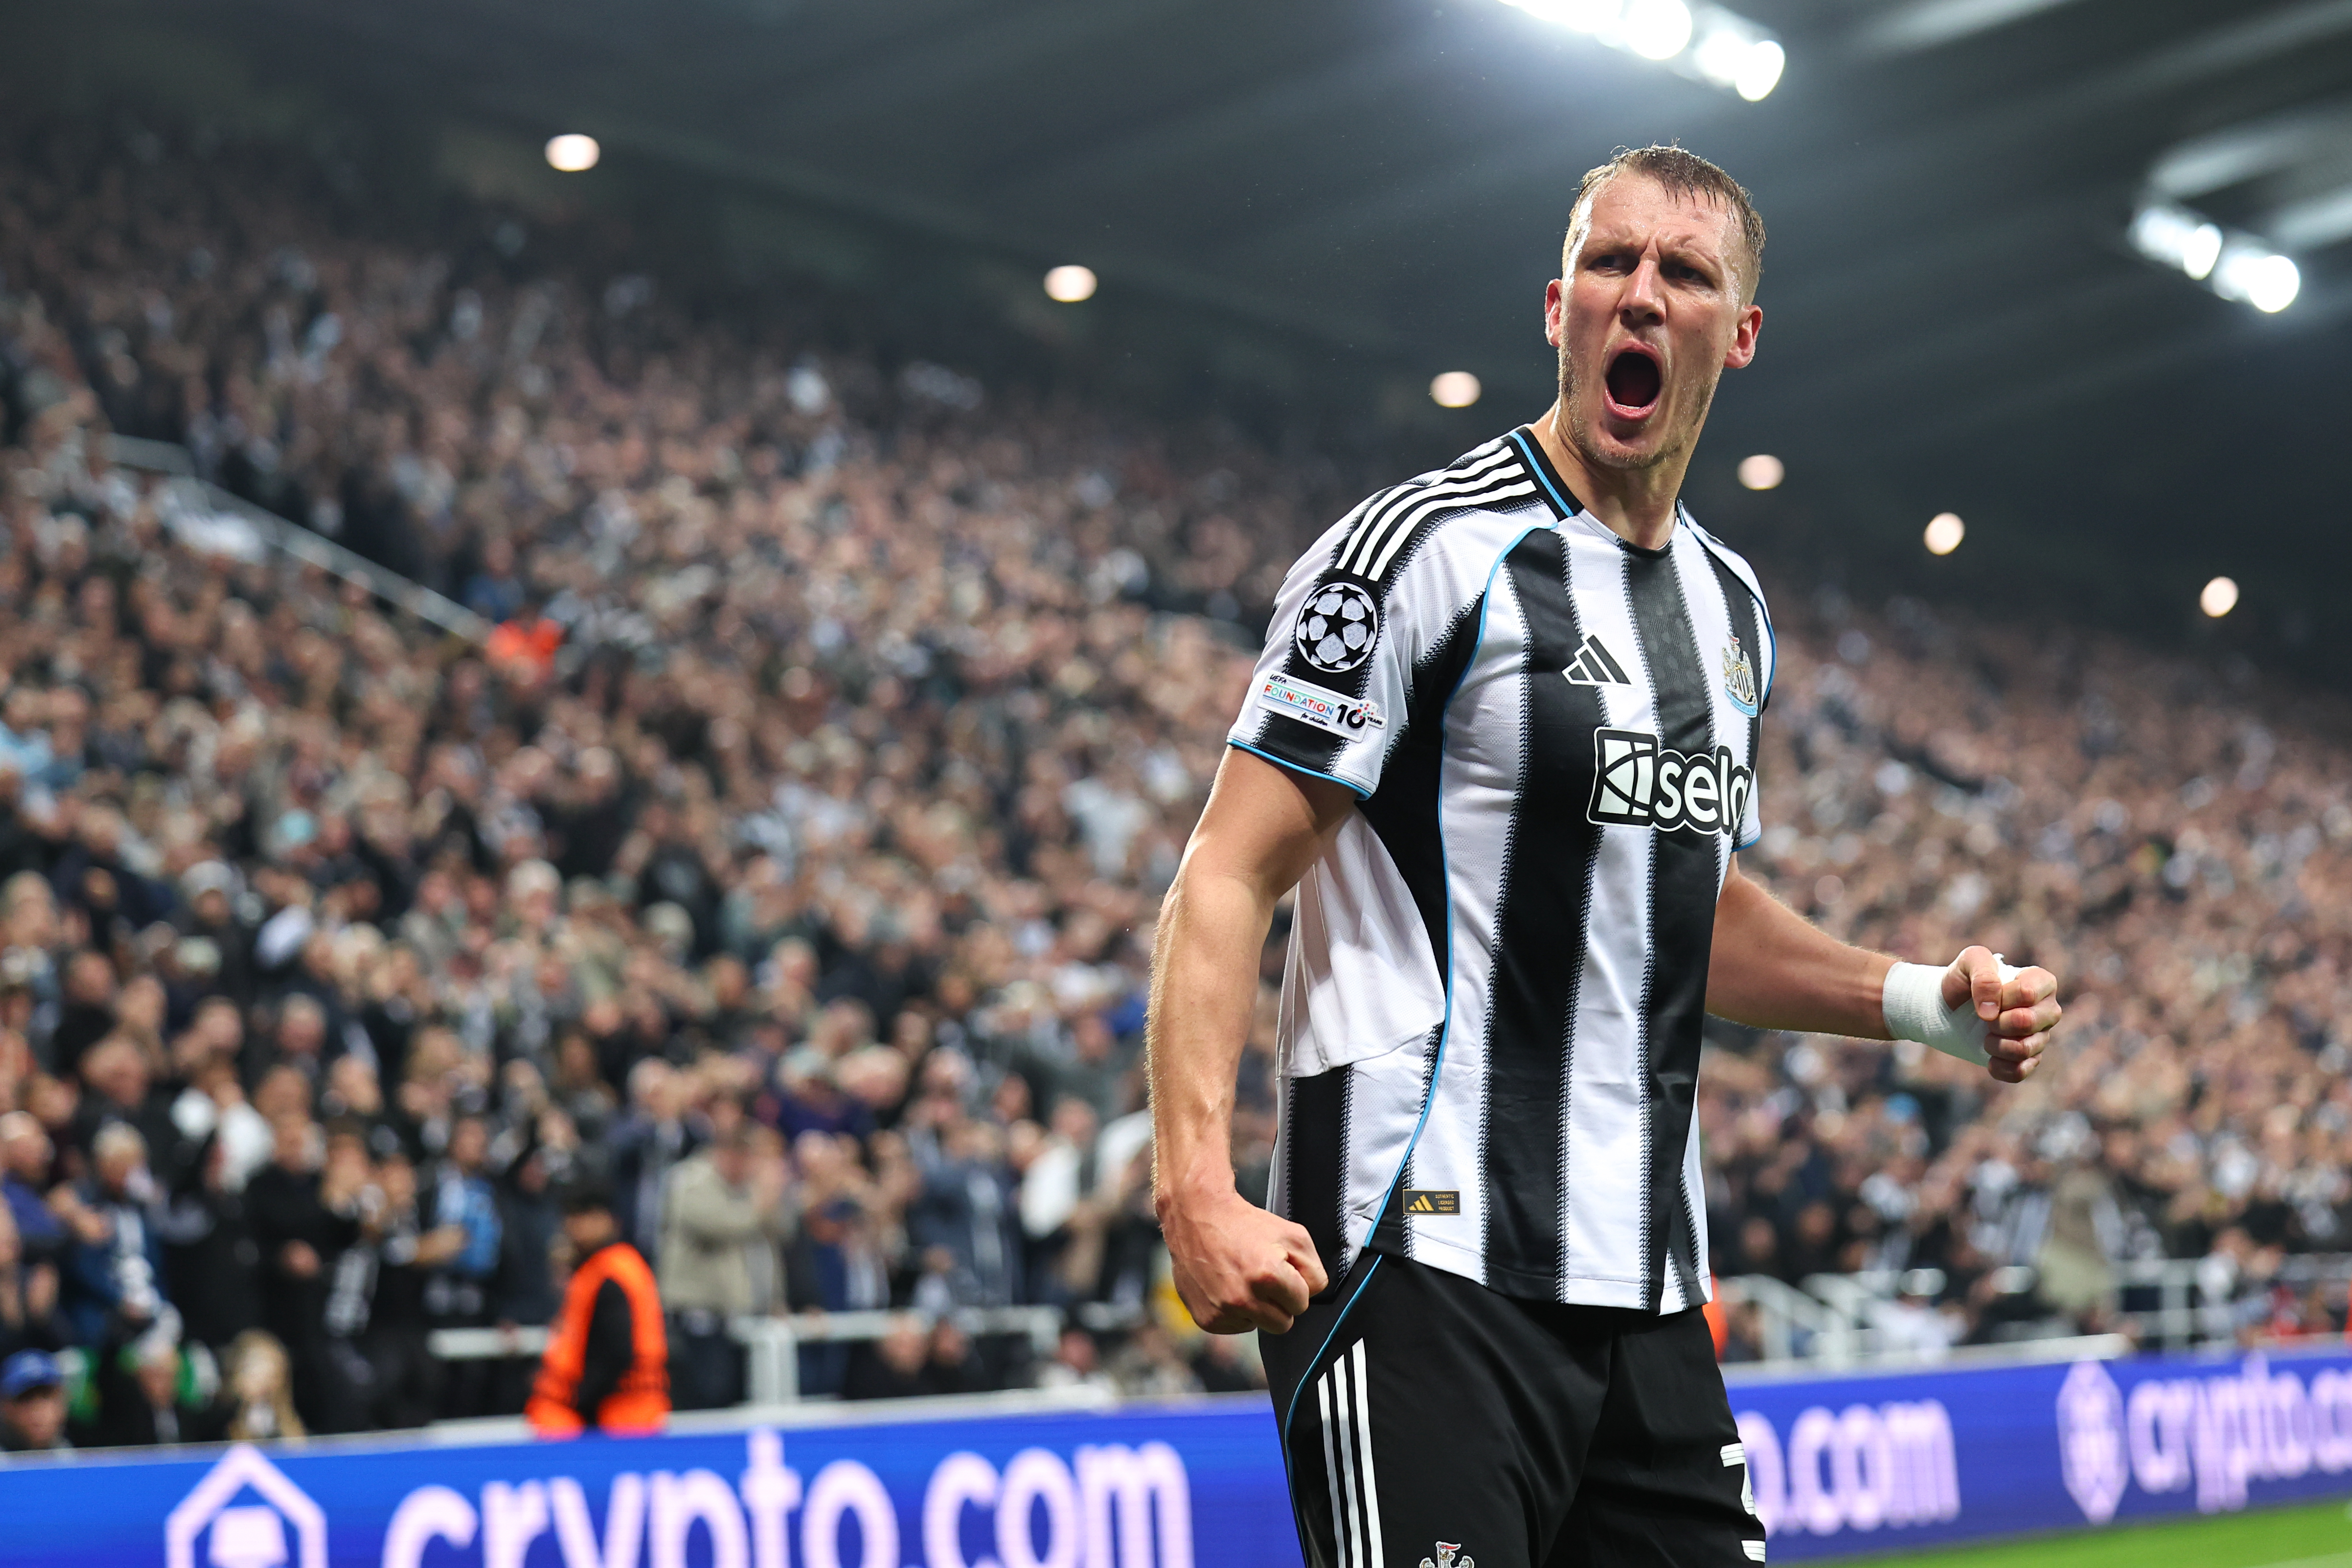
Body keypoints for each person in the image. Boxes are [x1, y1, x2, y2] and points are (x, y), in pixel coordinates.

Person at [1146, 144, 2066, 1568]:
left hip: (1641, 1287)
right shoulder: (1414, 553)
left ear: (1737, 333)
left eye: (1682, 273)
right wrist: (1195, 1183)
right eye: (1607, 262)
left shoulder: (1728, 609)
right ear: (1555, 303)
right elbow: (1226, 869)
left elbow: (1674, 906)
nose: (1638, 295)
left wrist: (1909, 1000)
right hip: (1418, 1264)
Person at [526, 1178, 669, 1436]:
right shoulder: (618, 1266)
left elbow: (617, 1353)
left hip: (616, 1421)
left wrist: (581, 1403)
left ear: (606, 1219)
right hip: (632, 1416)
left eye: (581, 1216)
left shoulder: (608, 1274)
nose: (572, 1227)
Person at [0, 1347, 70, 1455]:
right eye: (26, 1398)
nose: (37, 1409)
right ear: (6, 1407)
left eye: (46, 1396)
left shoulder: (76, 1459)